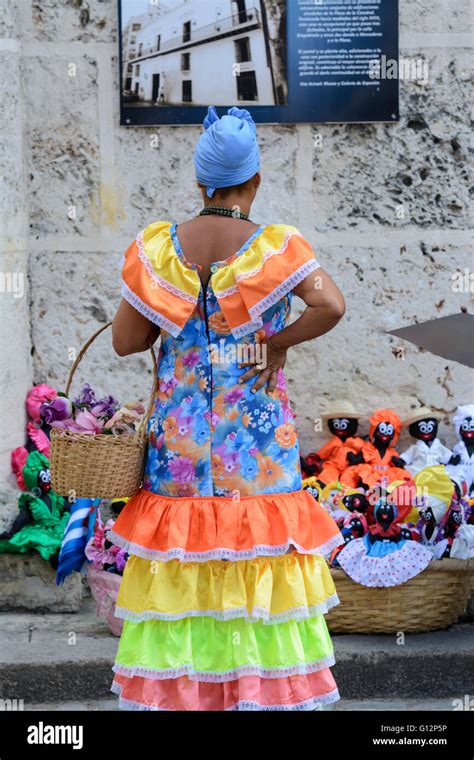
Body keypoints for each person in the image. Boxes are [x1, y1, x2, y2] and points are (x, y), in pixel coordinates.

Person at [109, 106, 346, 711]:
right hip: (258, 449)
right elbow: (331, 306)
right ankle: (258, 697)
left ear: (200, 181)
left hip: (179, 448)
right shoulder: (277, 247)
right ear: (256, 179)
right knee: (257, 561)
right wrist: (274, 341)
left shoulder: (162, 250)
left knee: (184, 568)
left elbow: (127, 342)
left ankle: (188, 696)